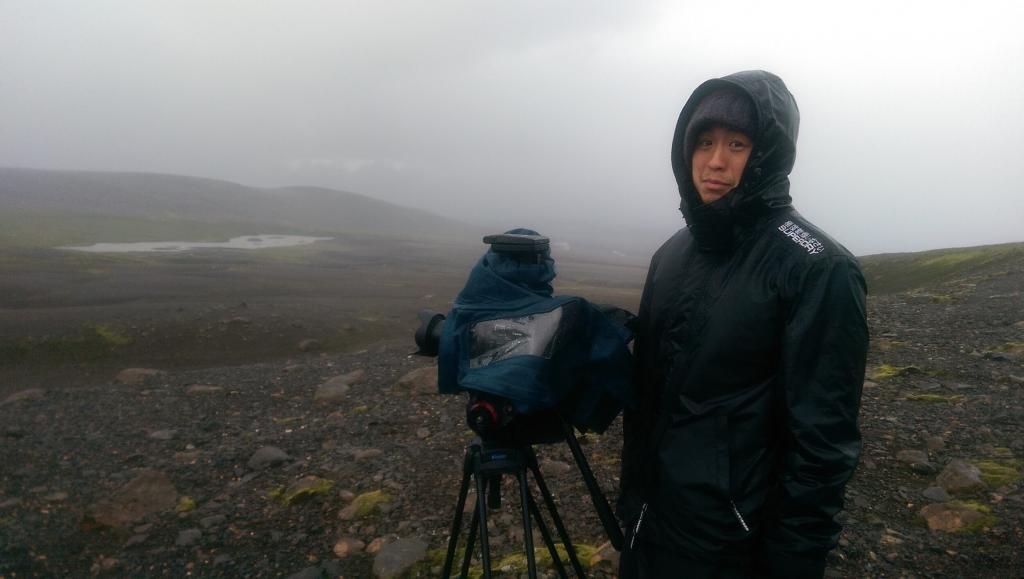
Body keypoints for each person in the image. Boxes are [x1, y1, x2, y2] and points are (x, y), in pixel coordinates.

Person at [619, 70, 868, 578]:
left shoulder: (817, 268)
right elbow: (651, 395)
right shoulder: (672, 254)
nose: (715, 160)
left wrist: (794, 561)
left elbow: (822, 446)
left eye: (737, 143)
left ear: (768, 153)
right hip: (649, 523)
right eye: (704, 141)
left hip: (734, 546)